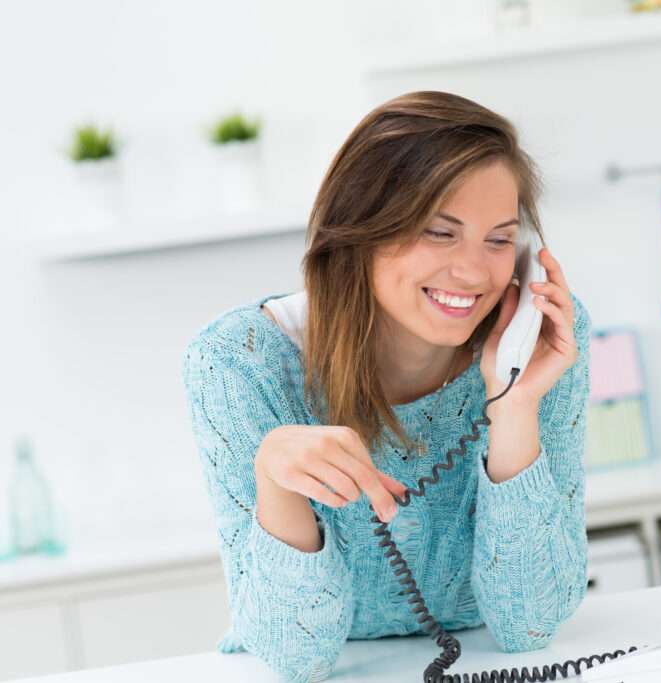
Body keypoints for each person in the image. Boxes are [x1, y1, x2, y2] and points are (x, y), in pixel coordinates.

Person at [181, 90, 592, 682]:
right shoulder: (237, 365)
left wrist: (515, 403)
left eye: (499, 239)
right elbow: (296, 659)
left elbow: (529, 624)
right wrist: (276, 480)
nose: (475, 271)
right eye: (438, 232)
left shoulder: (543, 339)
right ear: (361, 231)